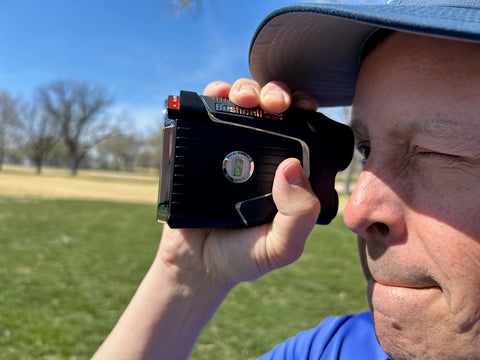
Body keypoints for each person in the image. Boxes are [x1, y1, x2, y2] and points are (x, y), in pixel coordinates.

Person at [92, 1, 480, 359]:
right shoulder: (330, 350)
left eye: (436, 150)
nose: (356, 212)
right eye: (365, 149)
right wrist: (190, 277)